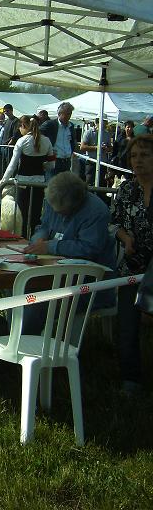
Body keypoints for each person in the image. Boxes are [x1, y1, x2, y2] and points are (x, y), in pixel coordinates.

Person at [22, 172, 117, 341]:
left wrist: (50, 246)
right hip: (54, 274)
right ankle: (13, 336)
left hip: (87, 285)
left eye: (63, 212)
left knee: (33, 303)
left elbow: (88, 248)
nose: (59, 215)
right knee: (18, 289)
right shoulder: (56, 197)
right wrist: (38, 239)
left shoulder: (97, 211)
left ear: (77, 203)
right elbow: (44, 226)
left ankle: (25, 346)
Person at [110, 134, 153, 396]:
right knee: (127, 325)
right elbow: (113, 222)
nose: (138, 161)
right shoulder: (126, 190)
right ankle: (130, 379)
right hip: (131, 268)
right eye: (134, 156)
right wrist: (125, 237)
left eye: (145, 155)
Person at [0, 116, 55, 237]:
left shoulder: (22, 141)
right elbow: (51, 165)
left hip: (23, 183)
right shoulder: (47, 141)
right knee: (36, 216)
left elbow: (12, 165)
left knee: (23, 215)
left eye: (20, 127)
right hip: (39, 182)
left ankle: (23, 239)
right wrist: (41, 165)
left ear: (23, 126)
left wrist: (3, 182)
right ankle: (35, 239)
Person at [39, 102, 76, 178]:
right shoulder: (50, 124)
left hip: (67, 162)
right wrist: (47, 150)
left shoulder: (71, 126)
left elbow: (72, 141)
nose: (69, 116)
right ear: (59, 113)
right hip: (54, 161)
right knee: (52, 186)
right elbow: (37, 136)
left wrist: (71, 151)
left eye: (70, 114)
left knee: (64, 187)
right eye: (67, 114)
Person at [80, 118, 112, 185]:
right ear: (97, 122)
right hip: (91, 162)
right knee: (89, 183)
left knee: (102, 184)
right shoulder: (88, 132)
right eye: (102, 122)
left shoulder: (107, 134)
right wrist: (96, 148)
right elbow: (82, 147)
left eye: (105, 122)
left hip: (102, 163)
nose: (104, 124)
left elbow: (110, 148)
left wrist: (107, 148)